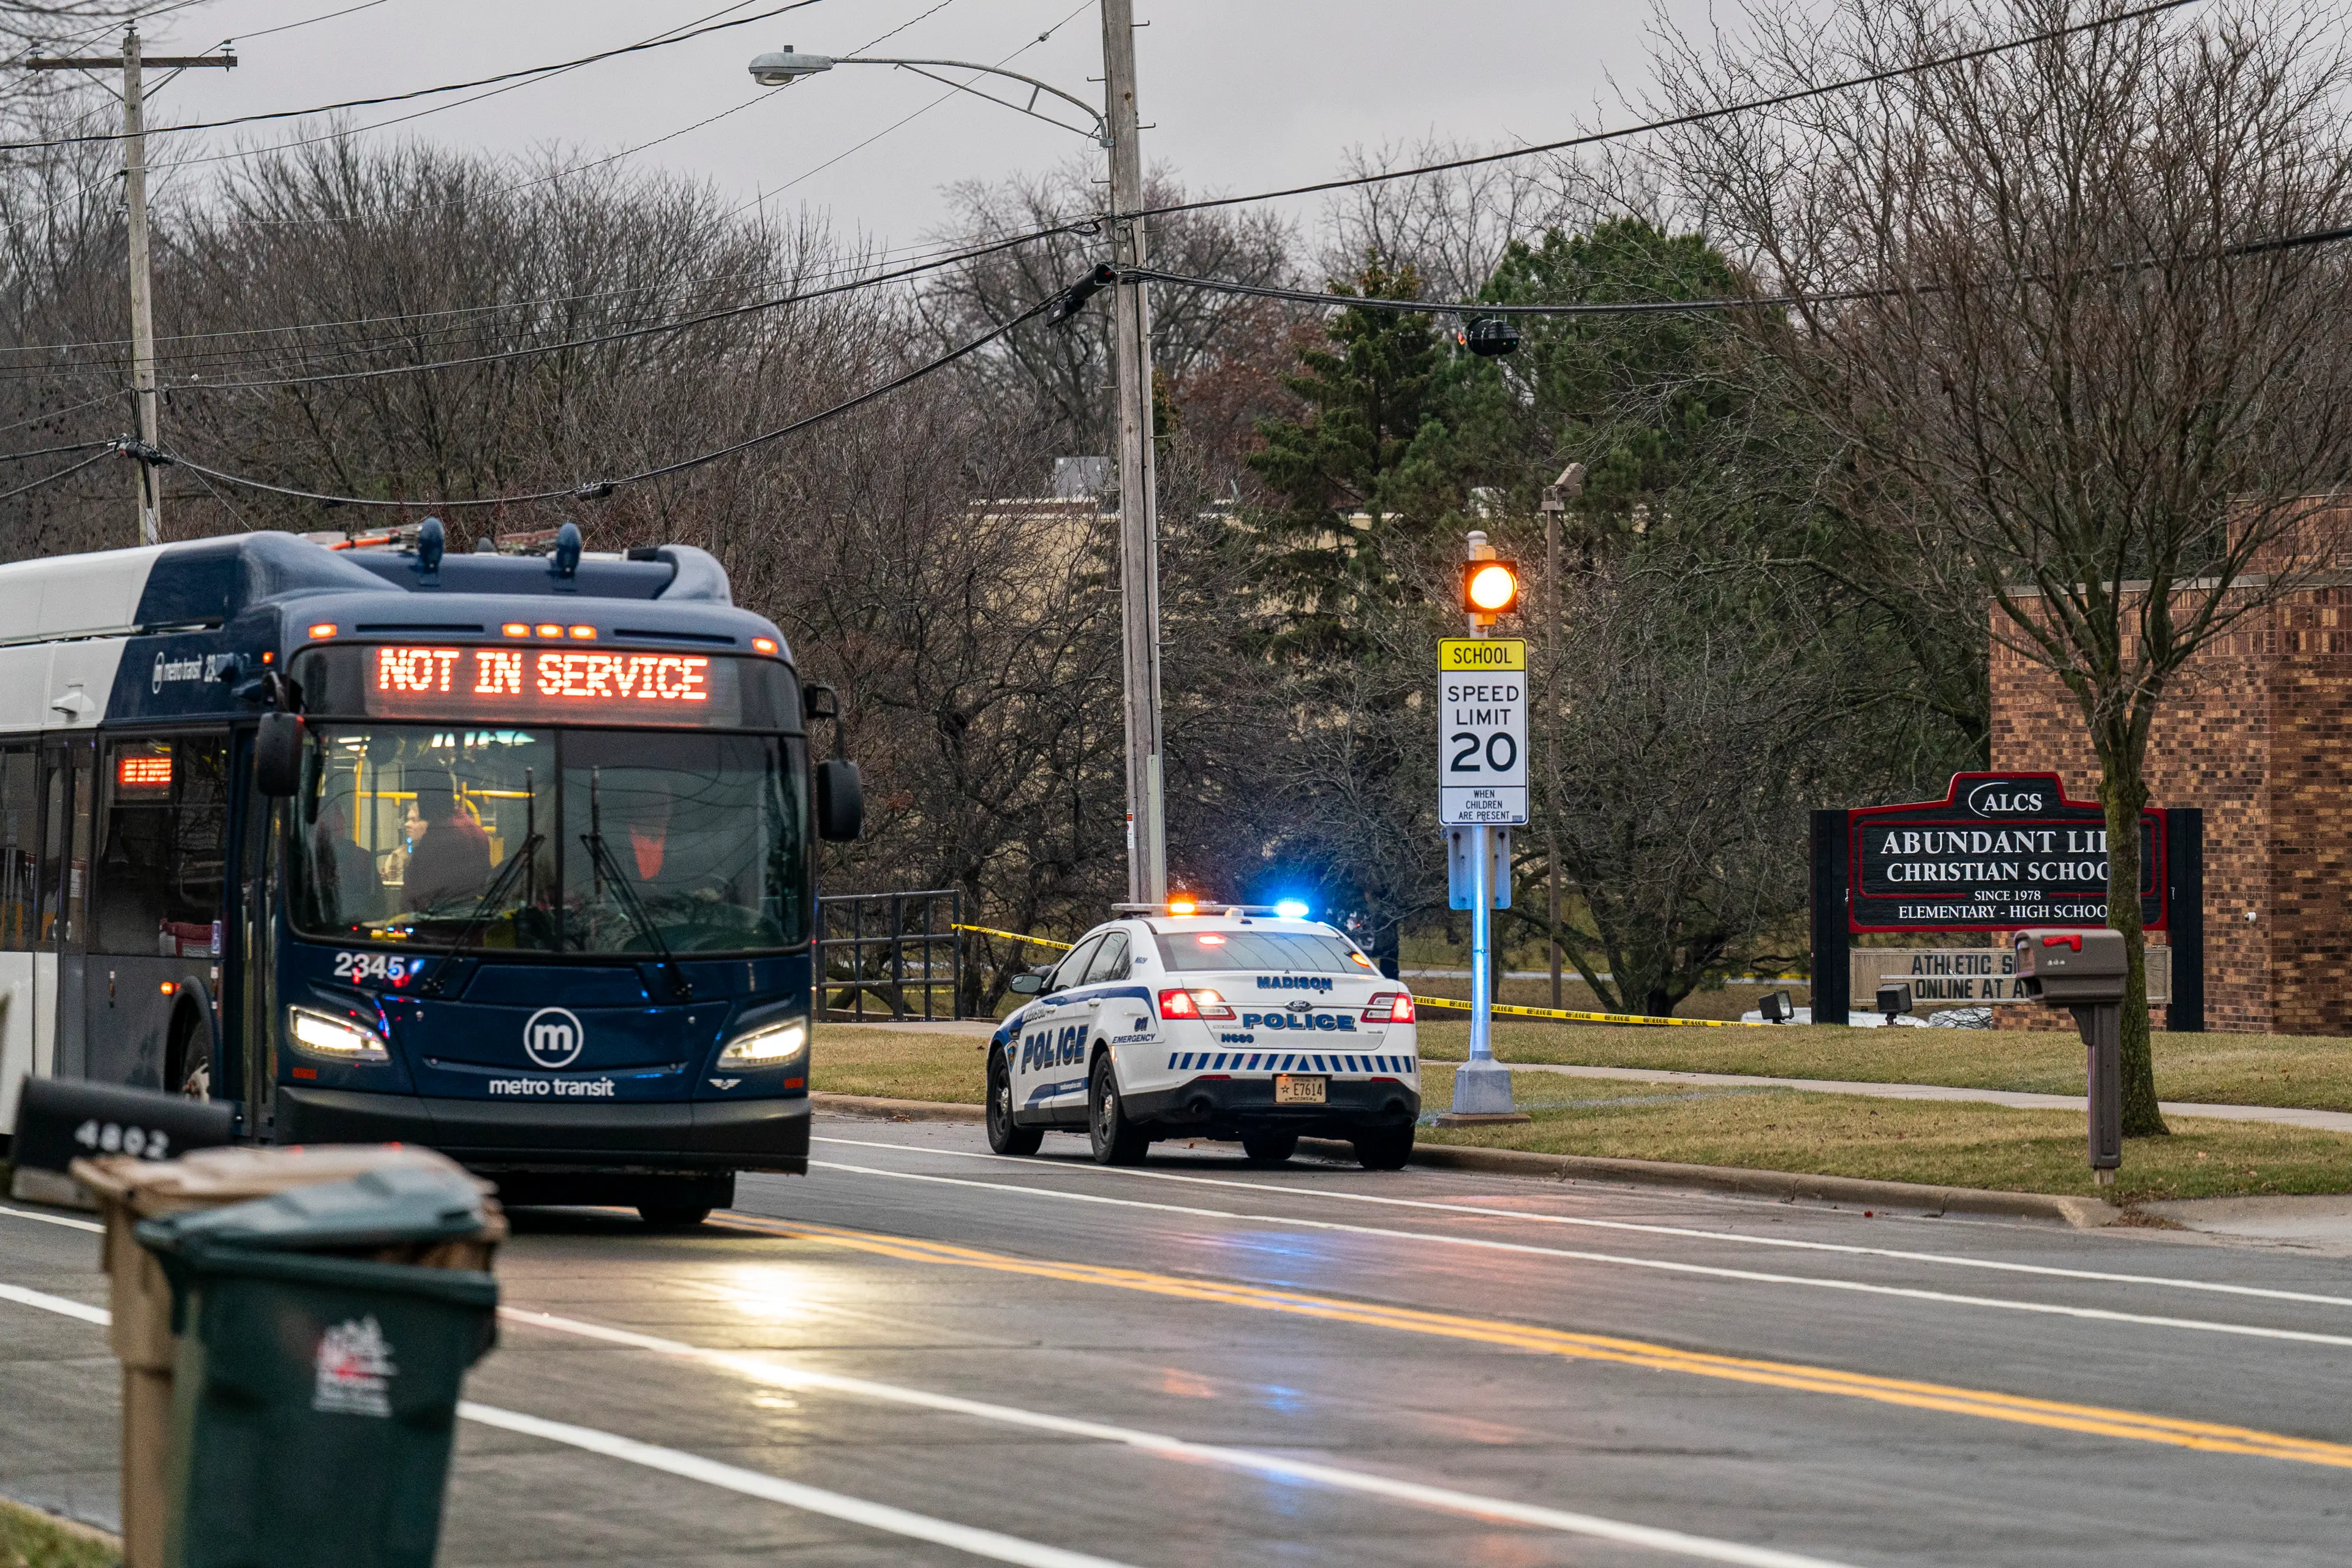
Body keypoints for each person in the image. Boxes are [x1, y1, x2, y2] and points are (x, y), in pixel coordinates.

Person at [401, 778, 491, 913]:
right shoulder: (475, 830)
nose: (420, 802)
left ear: (431, 800)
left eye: (422, 796)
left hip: (442, 920)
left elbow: (416, 891)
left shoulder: (440, 835)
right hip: (472, 916)